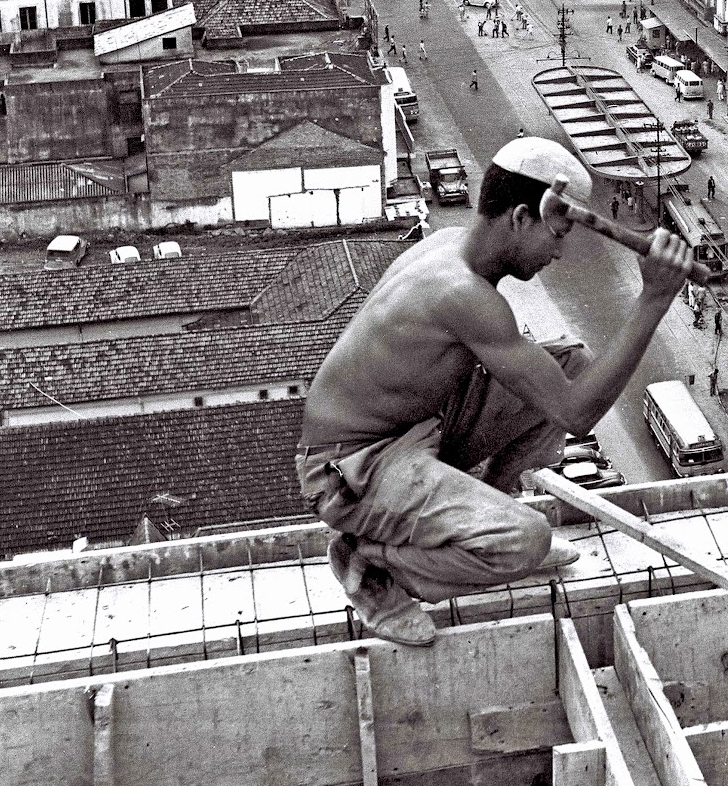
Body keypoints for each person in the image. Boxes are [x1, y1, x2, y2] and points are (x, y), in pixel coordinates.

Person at [296, 137, 693, 645]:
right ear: (522, 218)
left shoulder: (451, 244)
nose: (559, 251)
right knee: (526, 541)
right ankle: (371, 566)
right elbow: (577, 415)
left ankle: (491, 509)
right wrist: (654, 299)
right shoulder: (462, 294)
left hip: (417, 429)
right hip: (350, 468)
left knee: (571, 364)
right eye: (558, 233)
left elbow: (558, 390)